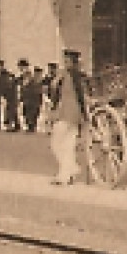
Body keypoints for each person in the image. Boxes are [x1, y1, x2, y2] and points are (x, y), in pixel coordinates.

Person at [47, 51, 87, 185]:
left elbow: (54, 93)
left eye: (67, 61)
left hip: (65, 112)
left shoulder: (64, 75)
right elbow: (81, 97)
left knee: (56, 144)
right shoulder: (79, 76)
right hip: (75, 114)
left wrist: (52, 109)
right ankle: (66, 175)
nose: (65, 63)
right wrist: (84, 114)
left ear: (72, 62)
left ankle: (71, 169)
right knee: (68, 145)